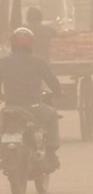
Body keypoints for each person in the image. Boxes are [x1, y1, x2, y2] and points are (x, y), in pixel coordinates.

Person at [0, 27, 62, 168]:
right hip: (34, 107)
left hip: (10, 107)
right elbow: (52, 81)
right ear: (31, 44)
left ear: (13, 44)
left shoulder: (2, 63)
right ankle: (51, 154)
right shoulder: (38, 62)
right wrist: (58, 92)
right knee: (52, 116)